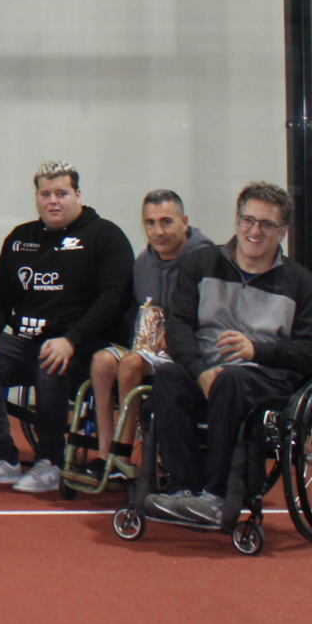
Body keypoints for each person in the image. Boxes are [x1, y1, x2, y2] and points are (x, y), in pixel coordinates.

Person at [147, 183, 312, 528]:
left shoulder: (302, 284)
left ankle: (217, 496)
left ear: (283, 233)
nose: (255, 230)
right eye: (249, 220)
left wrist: (257, 349)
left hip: (267, 377)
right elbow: (180, 327)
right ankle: (183, 487)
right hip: (206, 370)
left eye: (267, 224)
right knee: (170, 376)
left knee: (232, 379)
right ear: (237, 220)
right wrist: (199, 370)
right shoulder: (201, 263)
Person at [0, 161, 135, 495]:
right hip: (26, 339)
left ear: (78, 195)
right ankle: (3, 457)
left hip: (83, 345)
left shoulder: (105, 236)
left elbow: (114, 299)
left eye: (62, 193)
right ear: (37, 197)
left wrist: (71, 339)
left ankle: (50, 461)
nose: (53, 201)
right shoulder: (21, 238)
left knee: (49, 362)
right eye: (45, 194)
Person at [85, 189, 211, 478]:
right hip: (149, 347)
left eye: (166, 221)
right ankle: (106, 456)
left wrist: (172, 338)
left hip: (189, 349)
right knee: (102, 361)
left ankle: (122, 456)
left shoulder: (206, 259)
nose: (158, 231)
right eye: (150, 223)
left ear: (184, 222)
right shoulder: (143, 262)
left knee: (130, 364)